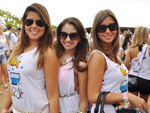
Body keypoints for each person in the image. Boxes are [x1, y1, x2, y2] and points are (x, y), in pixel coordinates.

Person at [2, 3, 59, 113]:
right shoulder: (18, 49)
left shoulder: (47, 53)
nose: (34, 26)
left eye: (39, 22)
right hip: (16, 110)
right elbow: (13, 84)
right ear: (24, 25)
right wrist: (5, 107)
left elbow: (53, 96)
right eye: (29, 22)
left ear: (46, 26)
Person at [88, 9, 148, 113]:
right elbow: (93, 96)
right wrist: (128, 96)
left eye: (112, 27)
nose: (108, 31)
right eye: (102, 28)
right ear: (96, 31)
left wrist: (128, 102)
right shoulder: (98, 56)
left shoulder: (113, 54)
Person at [55, 17, 89, 113]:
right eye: (63, 35)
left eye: (73, 36)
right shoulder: (52, 57)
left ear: (80, 38)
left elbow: (83, 101)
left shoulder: (80, 65)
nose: (68, 39)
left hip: (70, 109)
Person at [124, 26, 150, 104]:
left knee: (132, 103)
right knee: (143, 103)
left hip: (132, 77)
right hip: (145, 78)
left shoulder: (130, 49)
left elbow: (126, 66)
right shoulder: (148, 48)